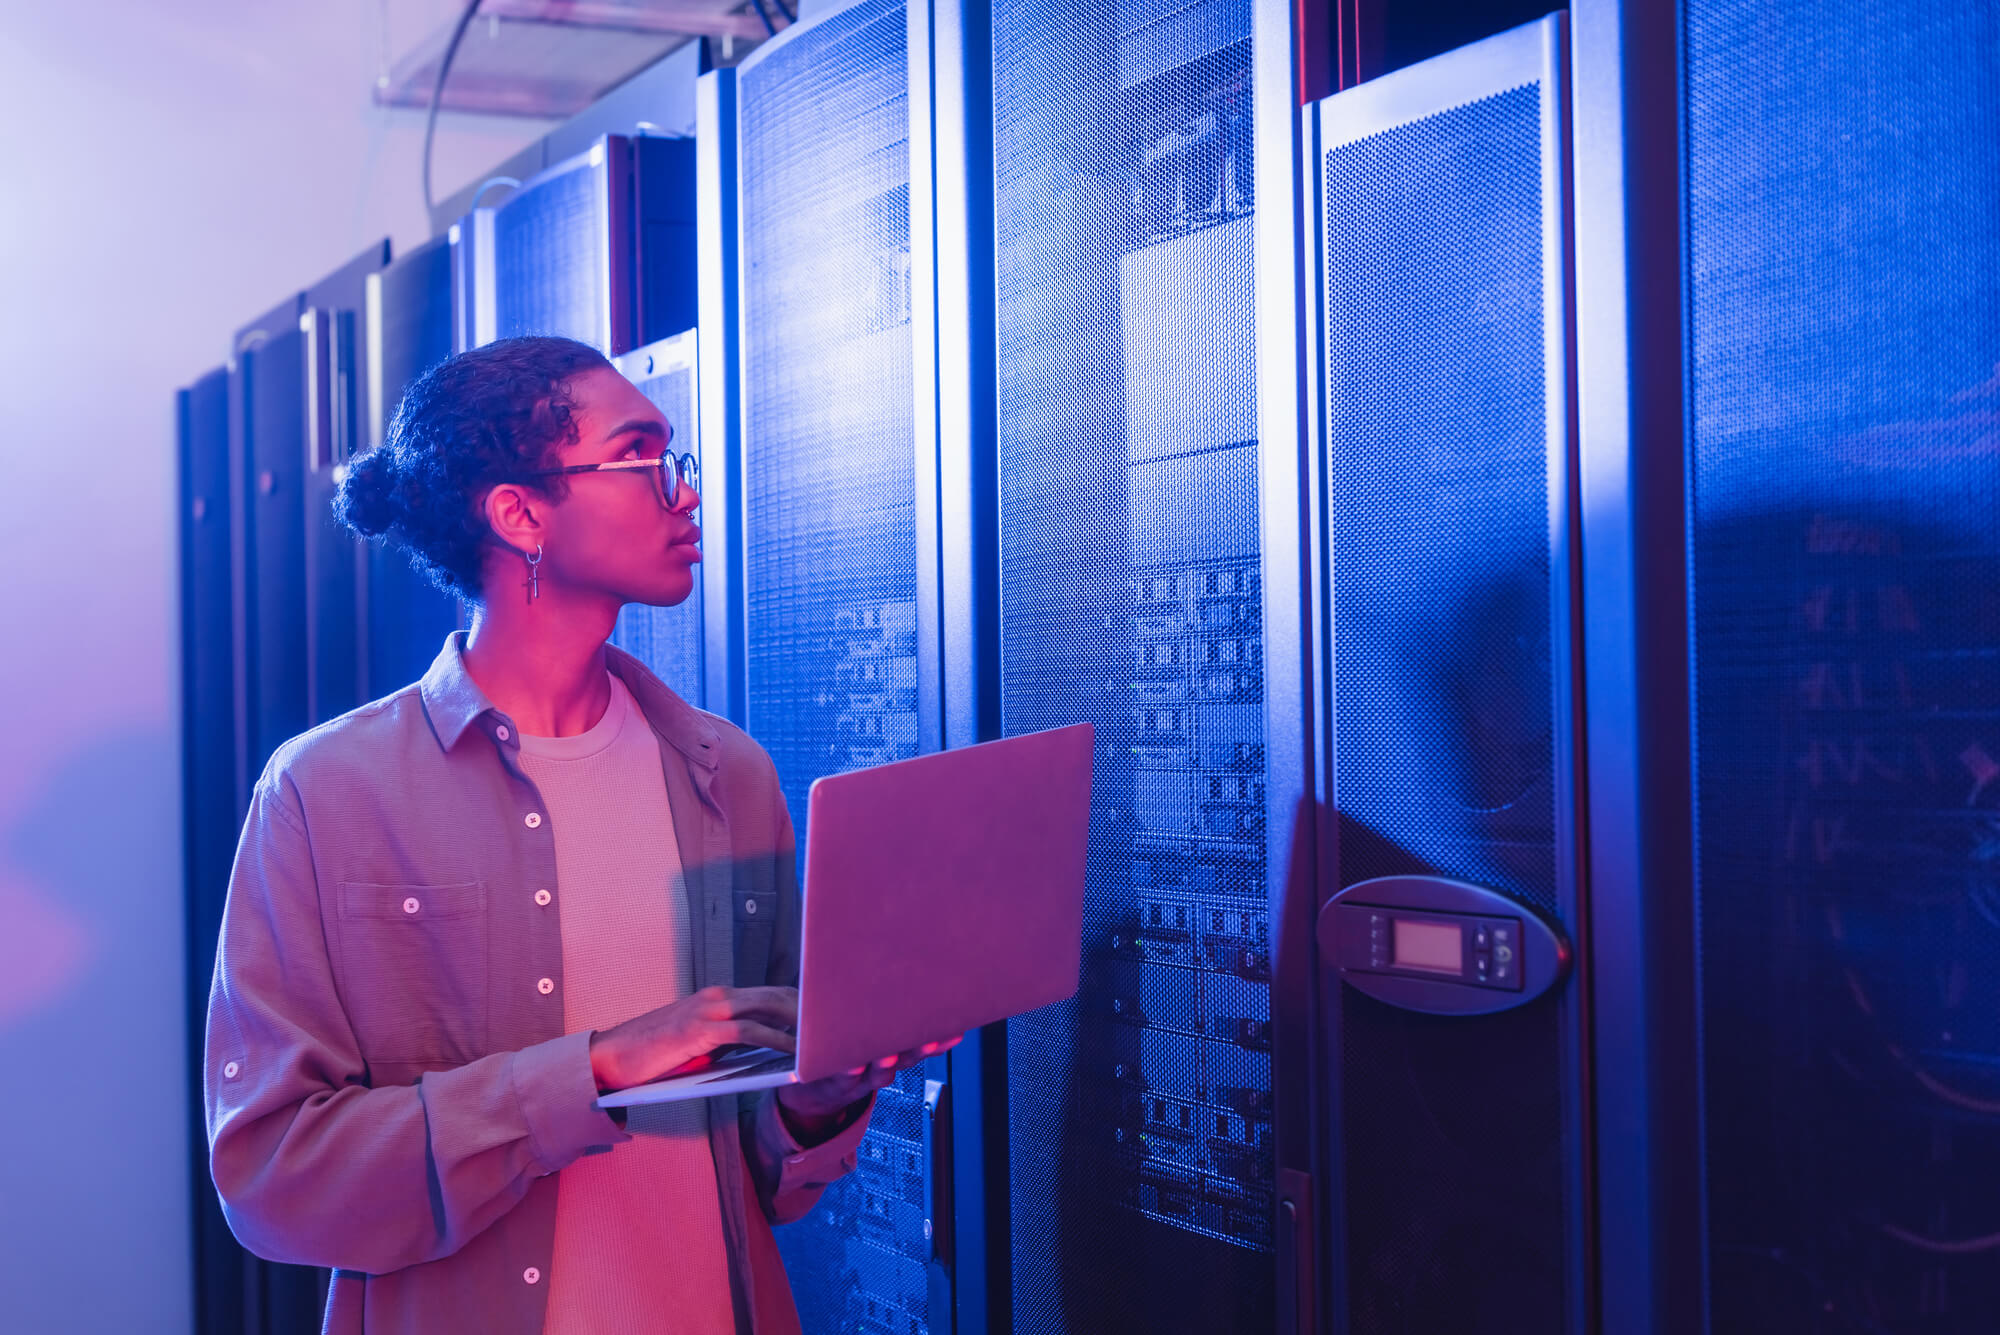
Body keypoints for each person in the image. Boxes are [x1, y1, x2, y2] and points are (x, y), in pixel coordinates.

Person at [203, 335, 940, 1334]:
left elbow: (758, 1176)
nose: (683, 493)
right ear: (518, 513)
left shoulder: (729, 777)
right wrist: (592, 1070)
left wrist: (819, 1093)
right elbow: (272, 1178)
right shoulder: (325, 794)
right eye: (641, 455)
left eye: (673, 460)